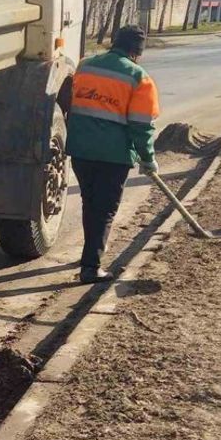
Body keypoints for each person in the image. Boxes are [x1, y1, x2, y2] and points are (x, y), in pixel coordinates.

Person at [66, 25, 160, 284]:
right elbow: (141, 126)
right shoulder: (138, 78)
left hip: (81, 152)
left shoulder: (85, 66)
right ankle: (90, 268)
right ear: (137, 52)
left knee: (90, 203)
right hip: (113, 156)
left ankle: (89, 253)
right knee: (104, 210)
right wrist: (148, 159)